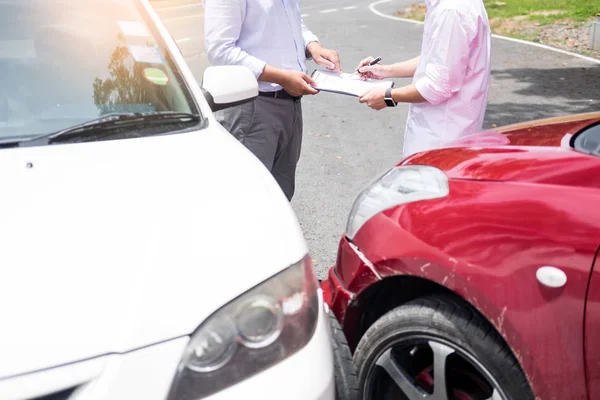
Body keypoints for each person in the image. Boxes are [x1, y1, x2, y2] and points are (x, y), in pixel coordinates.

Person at [204, 0, 341, 201]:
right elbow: (220, 51)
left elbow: (291, 24)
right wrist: (281, 77)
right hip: (251, 108)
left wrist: (313, 46)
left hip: (289, 105)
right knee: (248, 202)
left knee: (280, 199)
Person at [356, 0, 491, 158]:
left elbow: (437, 86)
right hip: (449, 132)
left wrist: (388, 96)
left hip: (440, 138)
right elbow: (437, 59)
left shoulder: (450, 11)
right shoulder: (451, 5)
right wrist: (385, 70)